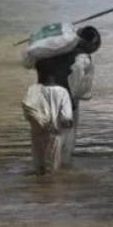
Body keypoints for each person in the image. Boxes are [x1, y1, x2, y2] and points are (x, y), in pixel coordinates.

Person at [32, 26, 100, 167]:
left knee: (40, 140)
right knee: (64, 143)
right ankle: (59, 174)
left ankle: (40, 172)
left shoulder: (49, 54)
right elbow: (80, 86)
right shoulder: (81, 57)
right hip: (64, 103)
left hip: (40, 99)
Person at [22, 75, 73, 175]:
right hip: (53, 135)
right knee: (52, 171)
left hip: (36, 134)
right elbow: (66, 119)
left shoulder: (32, 90)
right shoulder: (62, 92)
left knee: (39, 169)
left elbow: (27, 114)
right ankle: (49, 188)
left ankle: (39, 186)